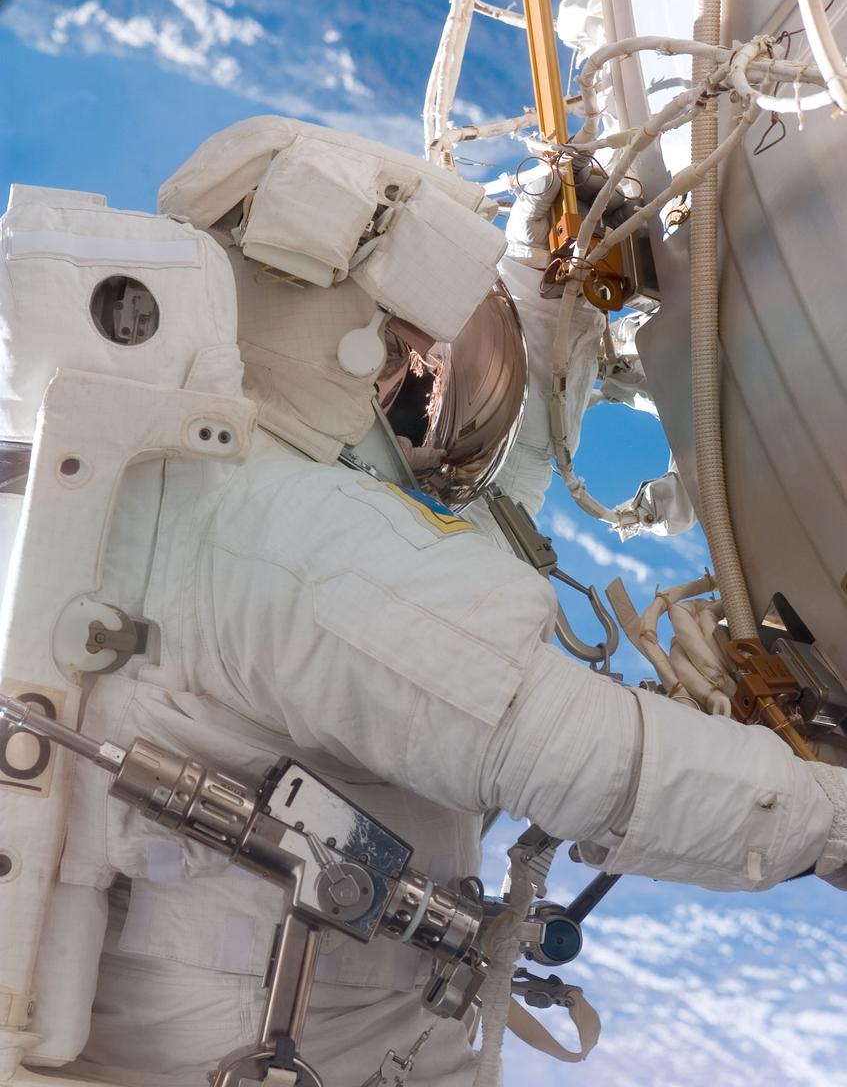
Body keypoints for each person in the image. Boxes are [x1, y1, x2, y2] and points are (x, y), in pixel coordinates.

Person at [7, 117, 844, 1087]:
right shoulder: (284, 544)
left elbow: (456, 514)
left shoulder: (210, 493)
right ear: (351, 360)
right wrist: (828, 822)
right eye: (423, 365)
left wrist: (544, 285)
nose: (443, 394)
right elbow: (599, 764)